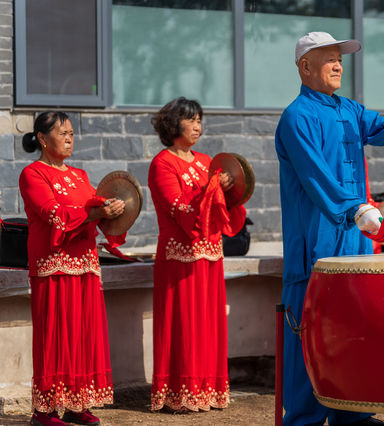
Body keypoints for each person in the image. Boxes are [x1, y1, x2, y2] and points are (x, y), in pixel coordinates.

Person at [275, 31, 384, 426]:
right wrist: (355, 208)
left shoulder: (348, 109)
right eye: (328, 58)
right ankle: (305, 420)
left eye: (339, 59)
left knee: (354, 329)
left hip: (353, 238)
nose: (338, 65)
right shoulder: (297, 117)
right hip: (316, 242)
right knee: (309, 335)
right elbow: (316, 175)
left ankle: (354, 415)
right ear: (304, 67)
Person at [19, 112, 126, 426]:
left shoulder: (79, 174)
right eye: (62, 133)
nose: (69, 138)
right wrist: (94, 211)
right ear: (42, 138)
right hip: (53, 265)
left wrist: (112, 210)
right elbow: (53, 213)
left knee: (82, 337)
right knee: (54, 337)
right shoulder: (33, 174)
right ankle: (45, 410)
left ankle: (77, 404)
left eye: (71, 133)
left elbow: (94, 209)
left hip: (85, 264)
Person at [148, 97, 245, 412]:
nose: (198, 126)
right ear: (174, 124)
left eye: (200, 120)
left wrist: (226, 188)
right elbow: (179, 208)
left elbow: (222, 209)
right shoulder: (163, 163)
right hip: (180, 259)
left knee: (208, 325)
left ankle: (208, 390)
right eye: (191, 120)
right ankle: (180, 393)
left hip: (210, 257)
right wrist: (213, 188)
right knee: (184, 325)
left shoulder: (207, 162)